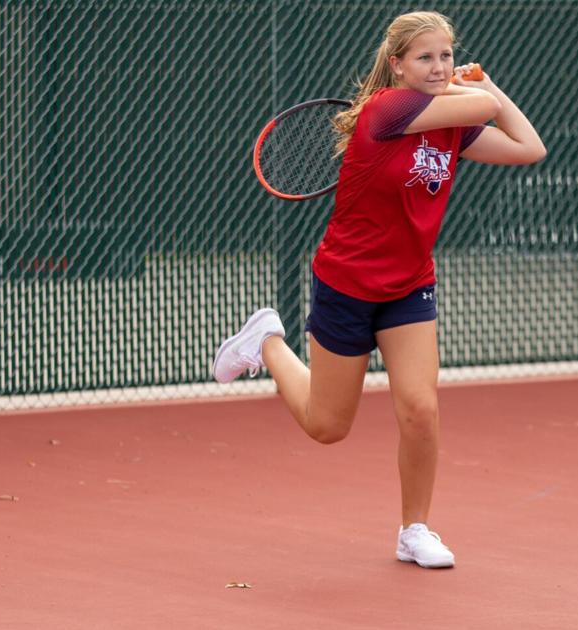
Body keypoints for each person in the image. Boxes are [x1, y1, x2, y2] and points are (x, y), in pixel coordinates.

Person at [213, 10, 545, 569]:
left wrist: (484, 84)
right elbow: (486, 108)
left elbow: (529, 147)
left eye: (445, 56)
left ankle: (414, 529)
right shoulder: (386, 109)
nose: (439, 67)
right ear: (397, 66)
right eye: (426, 57)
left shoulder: (451, 122)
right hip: (348, 282)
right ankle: (267, 341)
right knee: (327, 427)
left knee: (421, 409)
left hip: (409, 283)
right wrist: (478, 88)